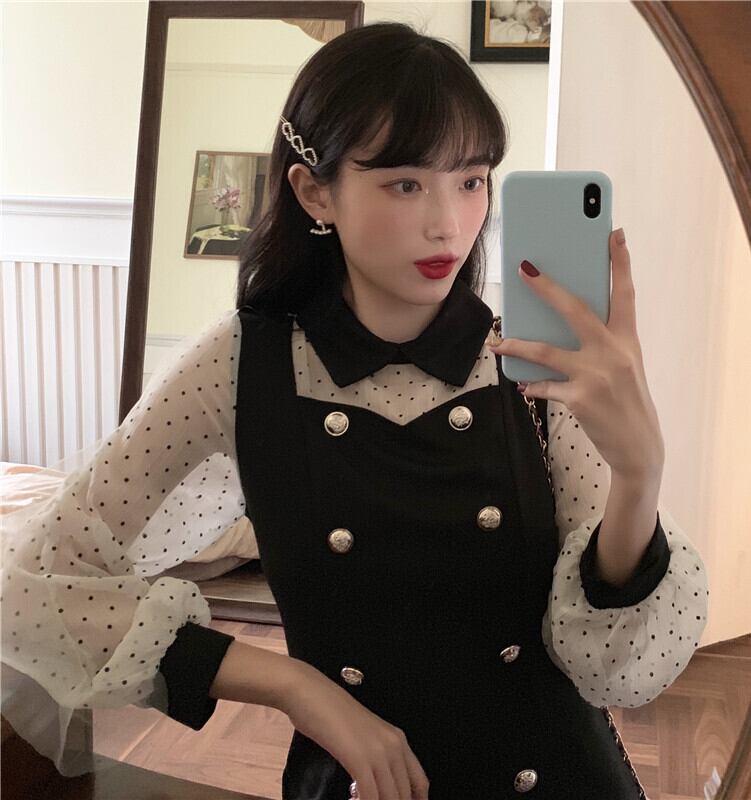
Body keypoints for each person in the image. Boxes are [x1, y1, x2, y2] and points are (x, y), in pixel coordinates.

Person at [1, 21, 708, 800]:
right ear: (315, 192)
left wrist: (640, 475)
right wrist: (300, 689)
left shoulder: (530, 365)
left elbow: (612, 670)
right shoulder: (239, 365)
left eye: (471, 181)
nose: (448, 223)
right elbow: (36, 587)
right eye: (406, 184)